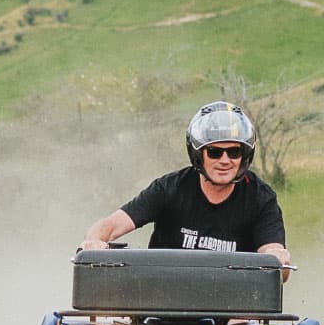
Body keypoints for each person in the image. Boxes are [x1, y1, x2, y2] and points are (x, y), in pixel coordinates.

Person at [81, 100, 291, 276]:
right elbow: (112, 224)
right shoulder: (170, 188)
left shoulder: (261, 199)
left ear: (245, 156)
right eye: (215, 152)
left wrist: (277, 257)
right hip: (161, 298)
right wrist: (94, 241)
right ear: (198, 154)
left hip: (232, 305)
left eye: (234, 152)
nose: (225, 160)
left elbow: (275, 256)